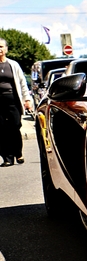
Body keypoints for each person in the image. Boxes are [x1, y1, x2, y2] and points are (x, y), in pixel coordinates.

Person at [0, 37, 33, 167]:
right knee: (1, 130)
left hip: (13, 100)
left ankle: (18, 153)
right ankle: (7, 158)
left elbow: (22, 83)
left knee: (15, 127)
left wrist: (27, 100)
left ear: (6, 49)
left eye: (1, 47)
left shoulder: (13, 65)